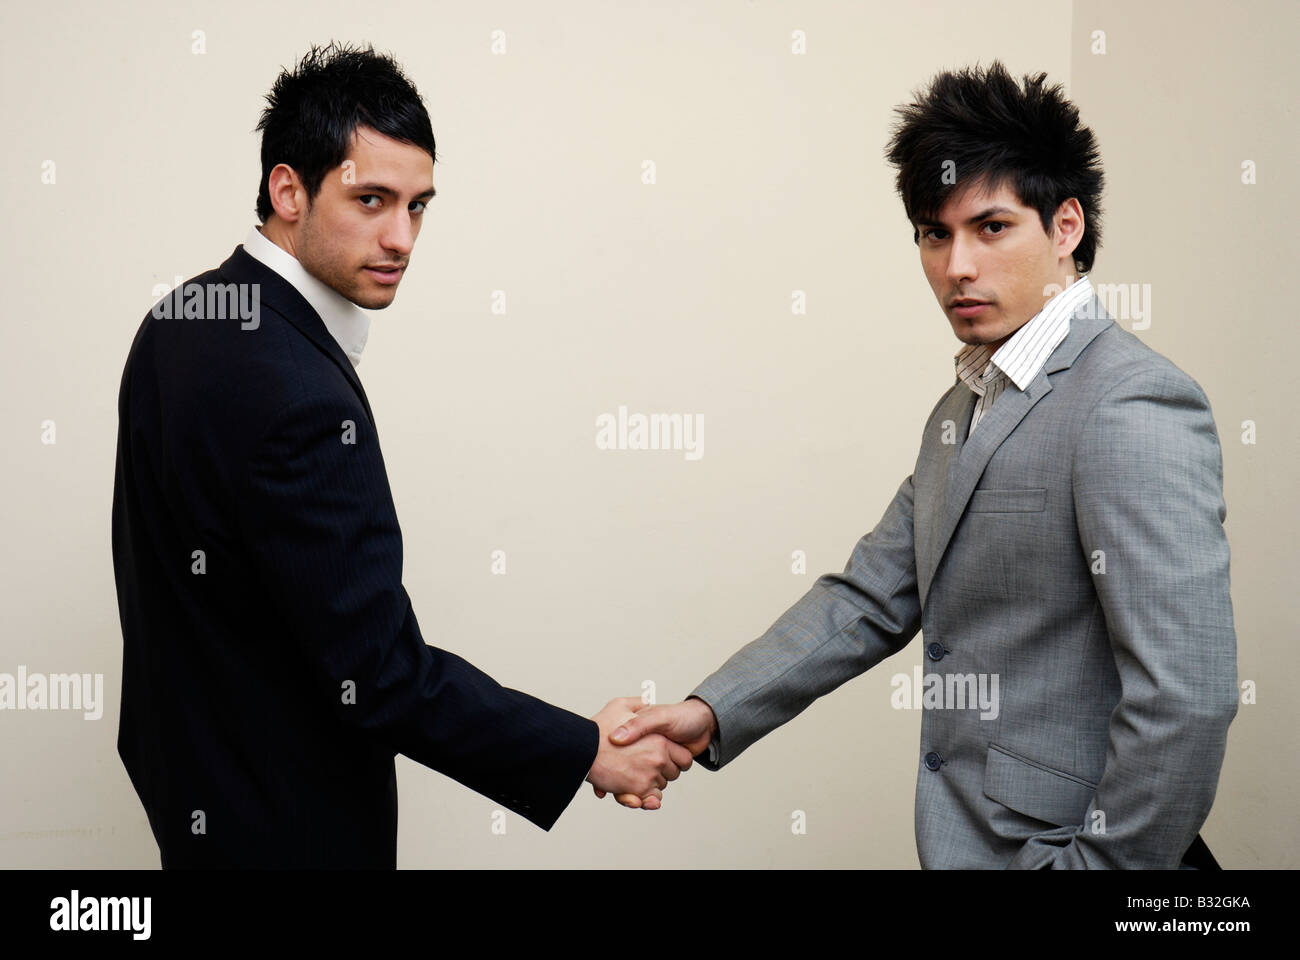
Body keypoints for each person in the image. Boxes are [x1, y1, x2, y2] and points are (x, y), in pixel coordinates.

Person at [603, 62, 1238, 869]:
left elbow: (1190, 694)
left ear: (1066, 226)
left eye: (991, 228)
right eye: (935, 235)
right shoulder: (967, 400)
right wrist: (711, 710)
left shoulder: (1131, 403)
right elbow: (871, 596)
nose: (957, 266)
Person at [111, 41, 691, 869]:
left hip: (196, 801)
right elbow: (379, 674)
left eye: (418, 206)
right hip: (291, 830)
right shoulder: (296, 391)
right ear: (287, 189)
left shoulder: (180, 319)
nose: (401, 237)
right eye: (372, 199)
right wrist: (584, 748)